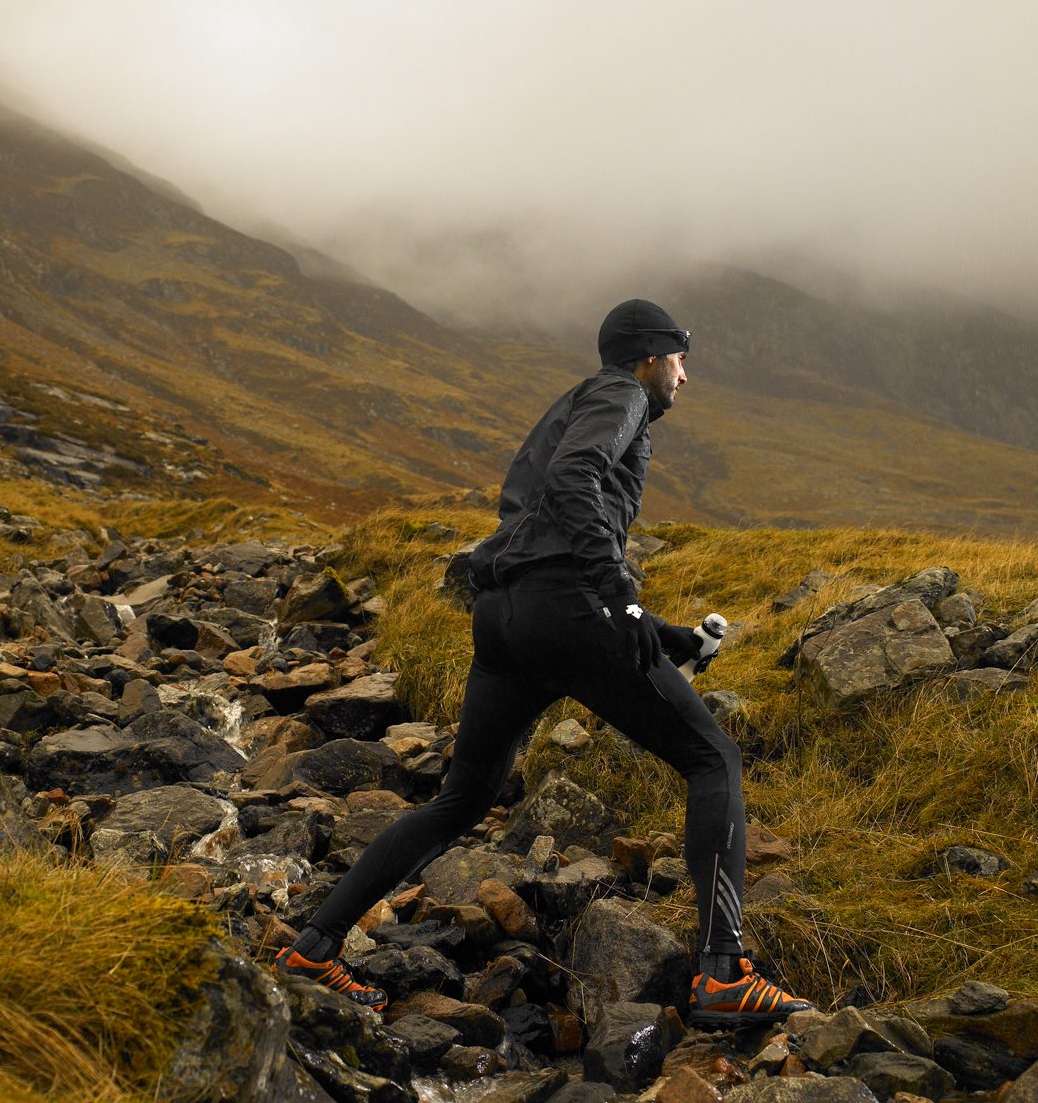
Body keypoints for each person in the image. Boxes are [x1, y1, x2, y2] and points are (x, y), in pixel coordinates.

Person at [276, 299, 816, 1029]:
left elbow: (540, 546)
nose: (685, 378)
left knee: (462, 800)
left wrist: (661, 635)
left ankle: (314, 945)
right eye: (679, 360)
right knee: (713, 759)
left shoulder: (574, 404)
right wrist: (621, 595)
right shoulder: (620, 393)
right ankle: (722, 973)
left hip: (505, 620)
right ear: (647, 358)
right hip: (561, 610)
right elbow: (575, 482)